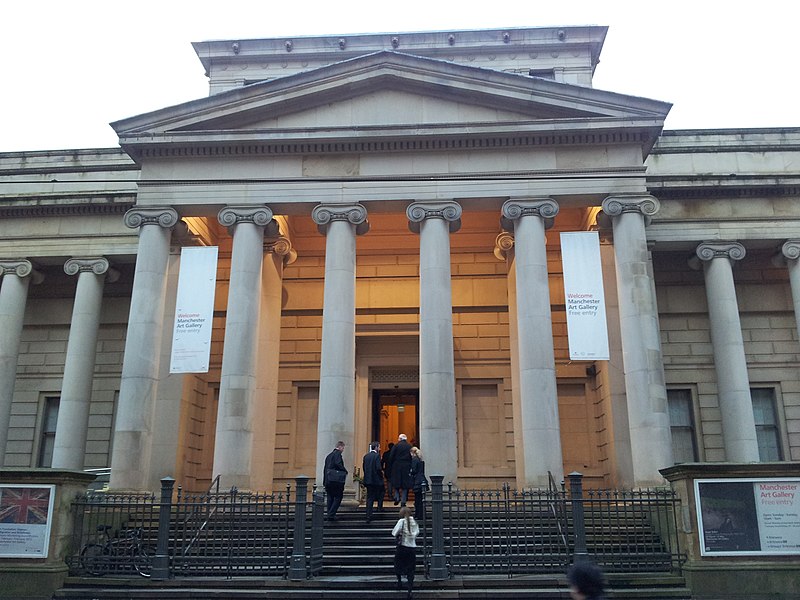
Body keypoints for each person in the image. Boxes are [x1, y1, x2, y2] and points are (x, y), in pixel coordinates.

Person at [392, 506, 419, 599]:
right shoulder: (414, 522)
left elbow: (394, 532)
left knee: (398, 565)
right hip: (412, 548)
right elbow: (416, 533)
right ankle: (410, 590)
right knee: (411, 570)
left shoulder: (401, 521)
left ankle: (399, 582)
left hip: (402, 547)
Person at [323, 441, 347, 521]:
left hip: (328, 480)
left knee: (330, 497)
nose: (343, 450)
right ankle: (331, 514)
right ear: (340, 447)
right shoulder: (337, 454)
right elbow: (338, 464)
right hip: (335, 481)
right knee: (338, 497)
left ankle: (329, 514)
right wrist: (345, 471)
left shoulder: (328, 456)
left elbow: (325, 469)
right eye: (343, 448)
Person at [362, 441, 384, 522]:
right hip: (376, 480)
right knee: (382, 492)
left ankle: (368, 515)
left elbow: (364, 467)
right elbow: (378, 468)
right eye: (379, 447)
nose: (380, 448)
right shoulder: (377, 456)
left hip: (368, 480)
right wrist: (381, 475)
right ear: (376, 447)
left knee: (369, 498)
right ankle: (379, 508)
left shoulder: (366, 456)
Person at [388, 433, 413, 506]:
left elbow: (391, 457)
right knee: (405, 485)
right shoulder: (409, 446)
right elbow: (411, 457)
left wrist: (391, 466)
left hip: (397, 467)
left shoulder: (396, 446)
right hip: (406, 467)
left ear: (400, 439)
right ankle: (403, 501)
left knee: (396, 484)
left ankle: (397, 497)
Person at [410, 446, 428, 521]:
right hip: (422, 480)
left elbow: (414, 470)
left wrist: (410, 471)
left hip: (417, 481)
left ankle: (418, 514)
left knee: (418, 500)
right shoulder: (420, 460)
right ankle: (421, 514)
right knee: (420, 499)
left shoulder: (414, 460)